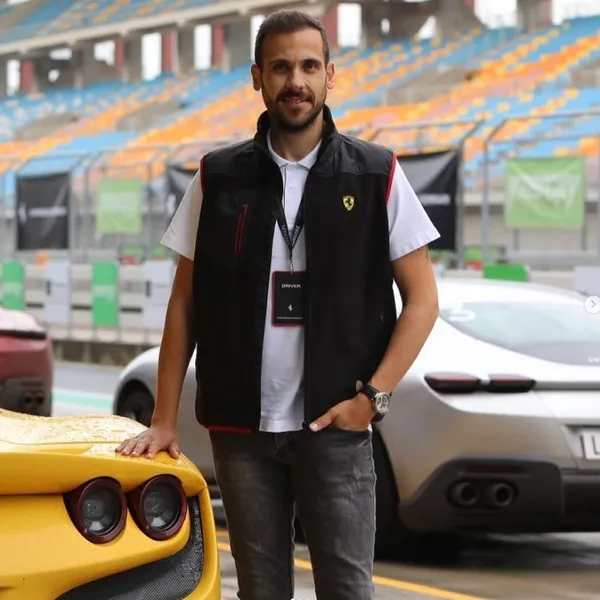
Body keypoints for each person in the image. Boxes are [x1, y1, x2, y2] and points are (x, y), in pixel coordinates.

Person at [116, 8, 440, 600]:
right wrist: (163, 419)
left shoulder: (377, 173)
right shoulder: (217, 177)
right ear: (257, 78)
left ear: (330, 75)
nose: (297, 81)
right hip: (242, 430)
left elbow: (422, 301)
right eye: (281, 67)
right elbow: (185, 303)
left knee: (348, 591)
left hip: (335, 426)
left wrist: (372, 399)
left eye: (310, 66)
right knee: (260, 591)